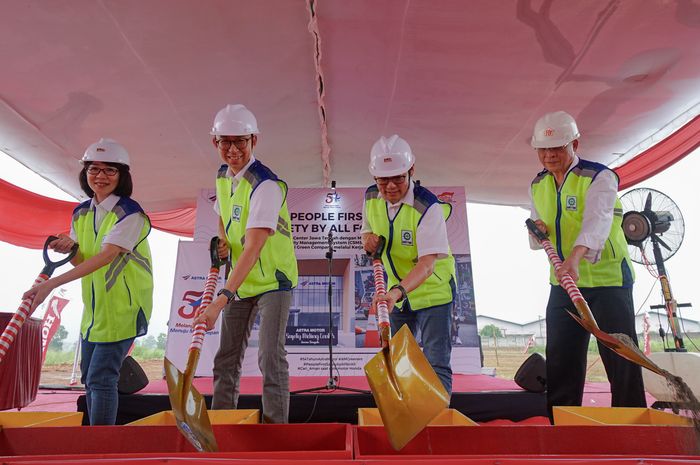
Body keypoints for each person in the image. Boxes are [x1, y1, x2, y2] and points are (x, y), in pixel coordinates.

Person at [23, 138, 153, 425]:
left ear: (122, 176)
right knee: (90, 377)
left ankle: (100, 443)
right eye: (94, 169)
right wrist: (70, 249)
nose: (101, 176)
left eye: (110, 170)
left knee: (101, 378)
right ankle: (97, 436)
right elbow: (83, 261)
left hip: (123, 310)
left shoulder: (131, 215)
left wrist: (49, 285)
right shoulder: (82, 213)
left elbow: (106, 257)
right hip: (94, 313)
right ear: (85, 174)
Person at [527, 111, 645, 421]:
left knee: (621, 357)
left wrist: (576, 258)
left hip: (608, 283)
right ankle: (563, 424)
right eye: (543, 149)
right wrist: (537, 231)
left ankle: (631, 423)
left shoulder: (599, 177)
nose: (550, 155)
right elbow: (539, 232)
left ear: (575, 144)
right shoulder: (538, 184)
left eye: (557, 148)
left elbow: (597, 222)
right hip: (564, 283)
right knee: (562, 358)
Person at [194, 104, 297, 424]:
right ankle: (221, 426)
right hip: (241, 283)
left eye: (241, 141)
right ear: (215, 143)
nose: (233, 149)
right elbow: (224, 216)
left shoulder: (265, 184)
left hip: (272, 282)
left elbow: (253, 248)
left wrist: (220, 299)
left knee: (270, 357)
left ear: (254, 141)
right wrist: (223, 240)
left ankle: (274, 433)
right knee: (226, 358)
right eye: (226, 141)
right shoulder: (223, 176)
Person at [361, 134, 456, 395]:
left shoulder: (428, 207)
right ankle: (407, 419)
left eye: (398, 178)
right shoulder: (370, 197)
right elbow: (366, 232)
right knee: (400, 361)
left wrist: (396, 292)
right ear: (374, 178)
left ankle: (437, 425)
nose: (390, 186)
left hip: (433, 293)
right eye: (383, 179)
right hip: (397, 295)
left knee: (436, 363)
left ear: (411, 171)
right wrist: (368, 241)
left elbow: (427, 265)